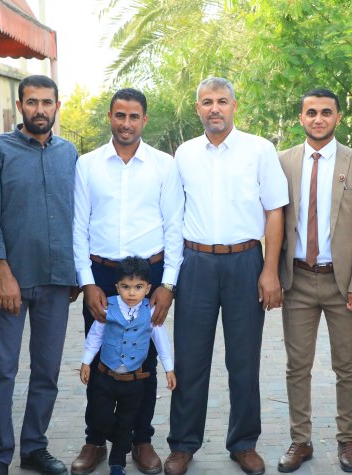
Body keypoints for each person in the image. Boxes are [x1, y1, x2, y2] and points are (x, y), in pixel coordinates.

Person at [164, 77, 288, 475]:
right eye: (207, 102)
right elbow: (173, 216)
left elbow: (274, 211)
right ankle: (183, 444)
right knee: (190, 360)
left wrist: (269, 270)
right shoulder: (184, 154)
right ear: (197, 108)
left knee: (244, 360)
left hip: (245, 262)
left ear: (234, 105)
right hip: (196, 263)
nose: (214, 108)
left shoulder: (259, 149)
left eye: (221, 101)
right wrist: (170, 277)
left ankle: (243, 443)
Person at [71, 87, 184, 475]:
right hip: (103, 274)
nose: (126, 123)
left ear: (144, 120)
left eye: (134, 116)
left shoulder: (164, 165)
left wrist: (168, 285)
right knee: (101, 358)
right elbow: (78, 227)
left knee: (144, 361)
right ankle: (95, 441)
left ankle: (141, 440)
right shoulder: (87, 165)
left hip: (149, 274)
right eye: (120, 115)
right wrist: (87, 282)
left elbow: (174, 227)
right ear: (110, 117)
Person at [0, 74, 79, 475]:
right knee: (2, 371)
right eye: (32, 102)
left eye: (47, 102)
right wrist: (1, 271)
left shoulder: (69, 153)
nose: (40, 109)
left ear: (57, 106)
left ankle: (35, 447)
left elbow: (77, 214)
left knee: (47, 371)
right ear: (19, 106)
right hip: (12, 282)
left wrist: (76, 273)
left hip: (57, 280)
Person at [274, 88, 352, 473]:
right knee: (297, 366)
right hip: (297, 280)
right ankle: (300, 440)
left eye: (326, 112)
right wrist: (273, 276)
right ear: (302, 117)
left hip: (342, 283)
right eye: (312, 112)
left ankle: (346, 440)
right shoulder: (282, 162)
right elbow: (273, 221)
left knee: (347, 367)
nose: (319, 119)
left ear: (337, 117)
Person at [79, 257, 177, 475]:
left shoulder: (150, 311)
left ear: (148, 288)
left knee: (126, 421)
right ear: (117, 287)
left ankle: (117, 464)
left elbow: (161, 341)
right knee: (101, 416)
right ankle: (119, 439)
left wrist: (169, 369)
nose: (131, 293)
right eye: (125, 287)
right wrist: (86, 362)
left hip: (134, 383)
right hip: (105, 377)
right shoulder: (108, 306)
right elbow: (95, 336)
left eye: (138, 287)